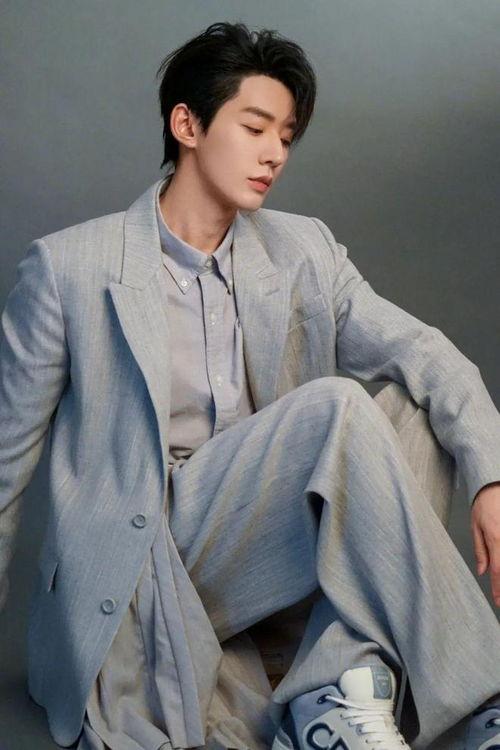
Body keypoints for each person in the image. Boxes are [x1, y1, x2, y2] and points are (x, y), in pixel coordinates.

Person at [1, 19, 500, 750]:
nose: (275, 154)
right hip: (155, 553)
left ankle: (338, 685)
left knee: (414, 411)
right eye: (255, 128)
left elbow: (424, 352)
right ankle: (485, 690)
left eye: (286, 137)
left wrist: (491, 476)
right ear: (188, 126)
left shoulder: (305, 249)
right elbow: (5, 465)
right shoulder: (68, 269)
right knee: (338, 408)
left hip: (270, 544)